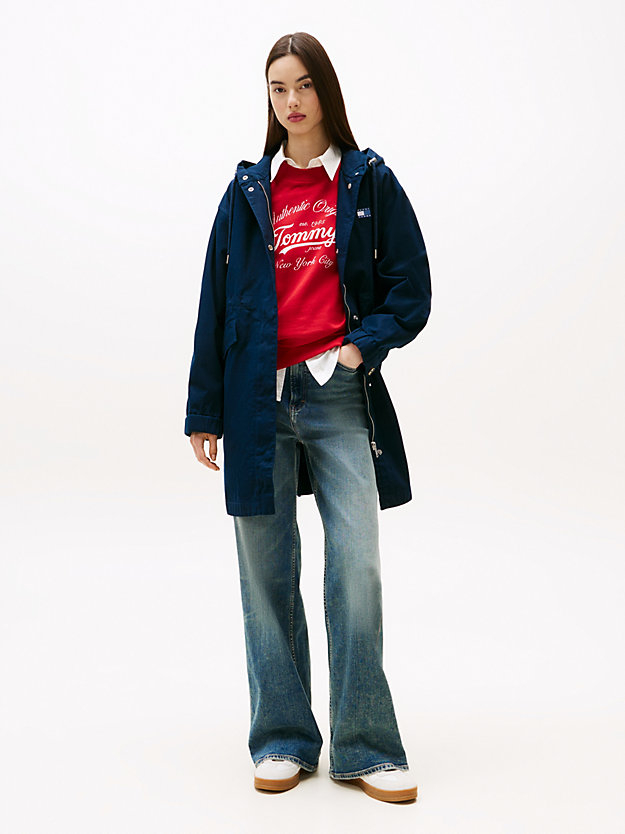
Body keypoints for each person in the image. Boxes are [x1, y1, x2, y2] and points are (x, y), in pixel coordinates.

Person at [185, 32, 431, 803]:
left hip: (336, 395)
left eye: (302, 85)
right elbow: (214, 302)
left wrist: (360, 347)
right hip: (255, 400)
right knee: (264, 574)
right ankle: (283, 739)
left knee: (354, 567)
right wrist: (204, 410)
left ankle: (365, 746)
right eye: (276, 88)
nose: (290, 102)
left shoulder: (366, 180)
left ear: (325, 89)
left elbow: (411, 289)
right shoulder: (246, 191)